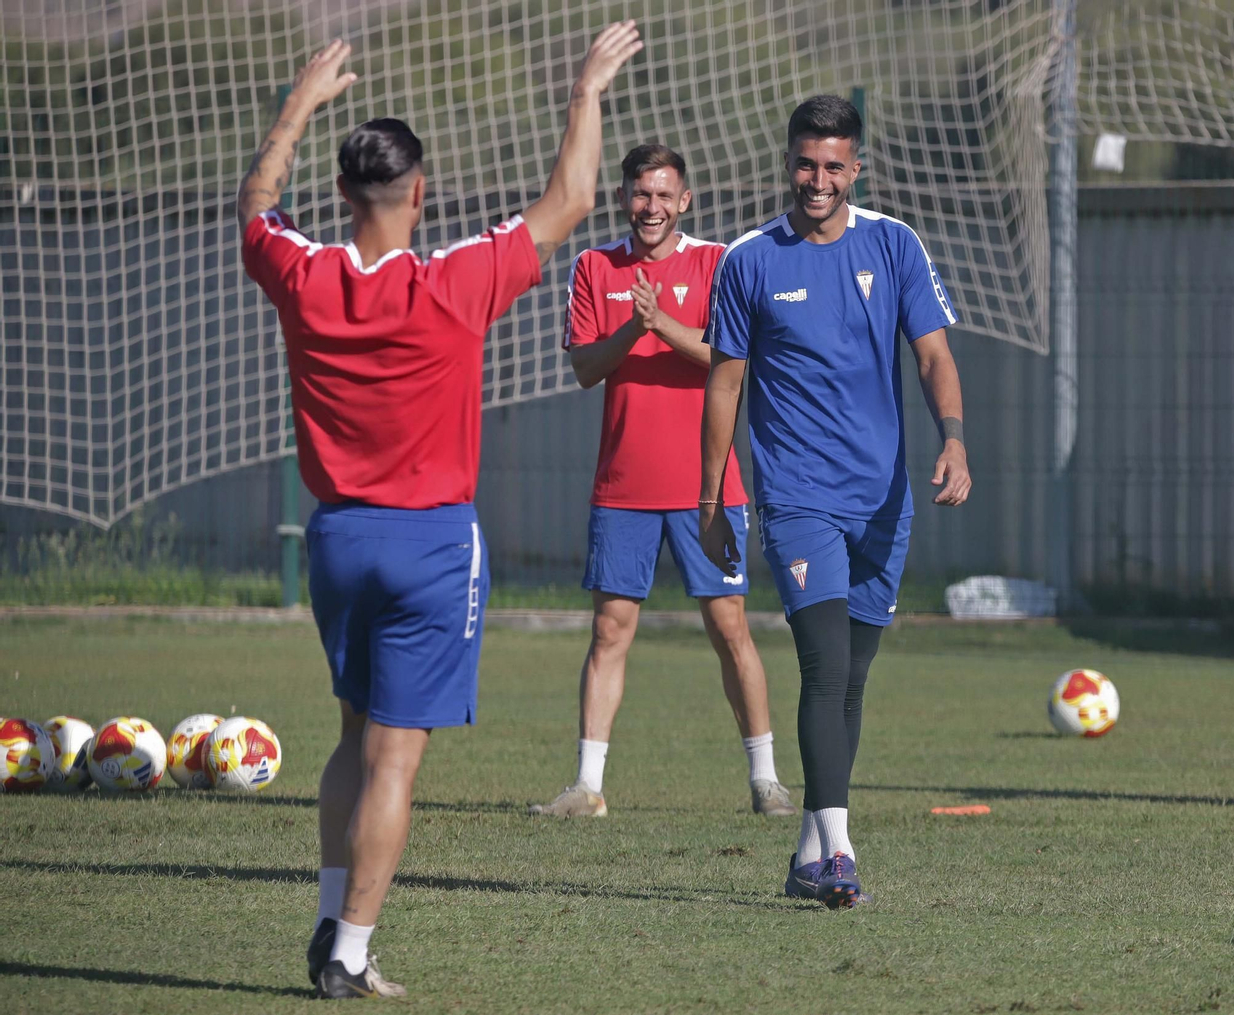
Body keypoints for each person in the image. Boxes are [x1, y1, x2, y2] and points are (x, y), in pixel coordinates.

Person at [236, 25, 640, 996]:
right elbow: (574, 201)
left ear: (341, 197)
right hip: (428, 544)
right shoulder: (452, 280)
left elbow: (253, 207)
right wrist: (584, 87)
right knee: (394, 761)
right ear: (420, 193)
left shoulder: (302, 275)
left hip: (335, 538)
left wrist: (298, 103)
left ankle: (333, 916)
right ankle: (348, 953)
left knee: (350, 736)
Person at [698, 95, 973, 907]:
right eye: (805, 164)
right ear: (788, 162)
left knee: (852, 679)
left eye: (833, 166)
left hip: (883, 498)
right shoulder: (749, 259)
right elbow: (726, 383)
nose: (817, 180)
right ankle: (841, 851)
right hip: (797, 497)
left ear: (856, 168)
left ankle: (806, 853)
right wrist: (714, 495)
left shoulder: (893, 245)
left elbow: (933, 355)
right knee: (821, 665)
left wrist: (953, 437)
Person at [530, 144, 796, 819]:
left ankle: (767, 781)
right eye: (640, 193)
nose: (651, 206)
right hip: (623, 487)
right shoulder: (594, 267)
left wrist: (662, 325)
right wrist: (632, 327)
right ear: (626, 197)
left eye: (663, 194)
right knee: (609, 631)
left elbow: (731, 356)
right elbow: (587, 367)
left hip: (711, 486)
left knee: (729, 627)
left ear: (685, 200)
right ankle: (587, 787)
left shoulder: (718, 263)